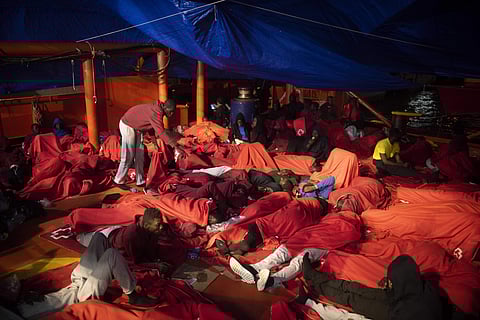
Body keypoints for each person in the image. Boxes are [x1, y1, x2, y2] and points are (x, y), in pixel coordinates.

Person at [17, 208, 171, 318]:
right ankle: (132, 294)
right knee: (112, 255)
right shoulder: (131, 235)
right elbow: (134, 261)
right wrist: (155, 265)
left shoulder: (16, 308)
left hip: (77, 285)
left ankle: (80, 279)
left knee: (99, 238)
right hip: (82, 298)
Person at [228, 211, 361, 292]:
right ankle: (255, 269)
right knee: (284, 251)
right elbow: (317, 225)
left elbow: (348, 239)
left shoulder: (352, 227)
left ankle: (272, 280)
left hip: (322, 244)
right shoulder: (332, 217)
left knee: (300, 259)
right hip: (310, 238)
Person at [300, 254, 444, 320]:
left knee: (351, 298)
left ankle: (318, 285)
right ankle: (314, 276)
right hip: (398, 300)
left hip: (391, 313)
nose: (389, 282)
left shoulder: (413, 313)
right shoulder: (421, 288)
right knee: (356, 288)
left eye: (391, 281)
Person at [114, 99, 184, 188]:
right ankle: (118, 180)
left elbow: (152, 127)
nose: (171, 114)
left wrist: (155, 143)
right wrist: (176, 146)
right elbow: (161, 132)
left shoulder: (159, 110)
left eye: (173, 112)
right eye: (170, 112)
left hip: (137, 128)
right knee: (129, 155)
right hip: (128, 125)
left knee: (139, 156)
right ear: (165, 107)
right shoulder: (156, 112)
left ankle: (140, 180)